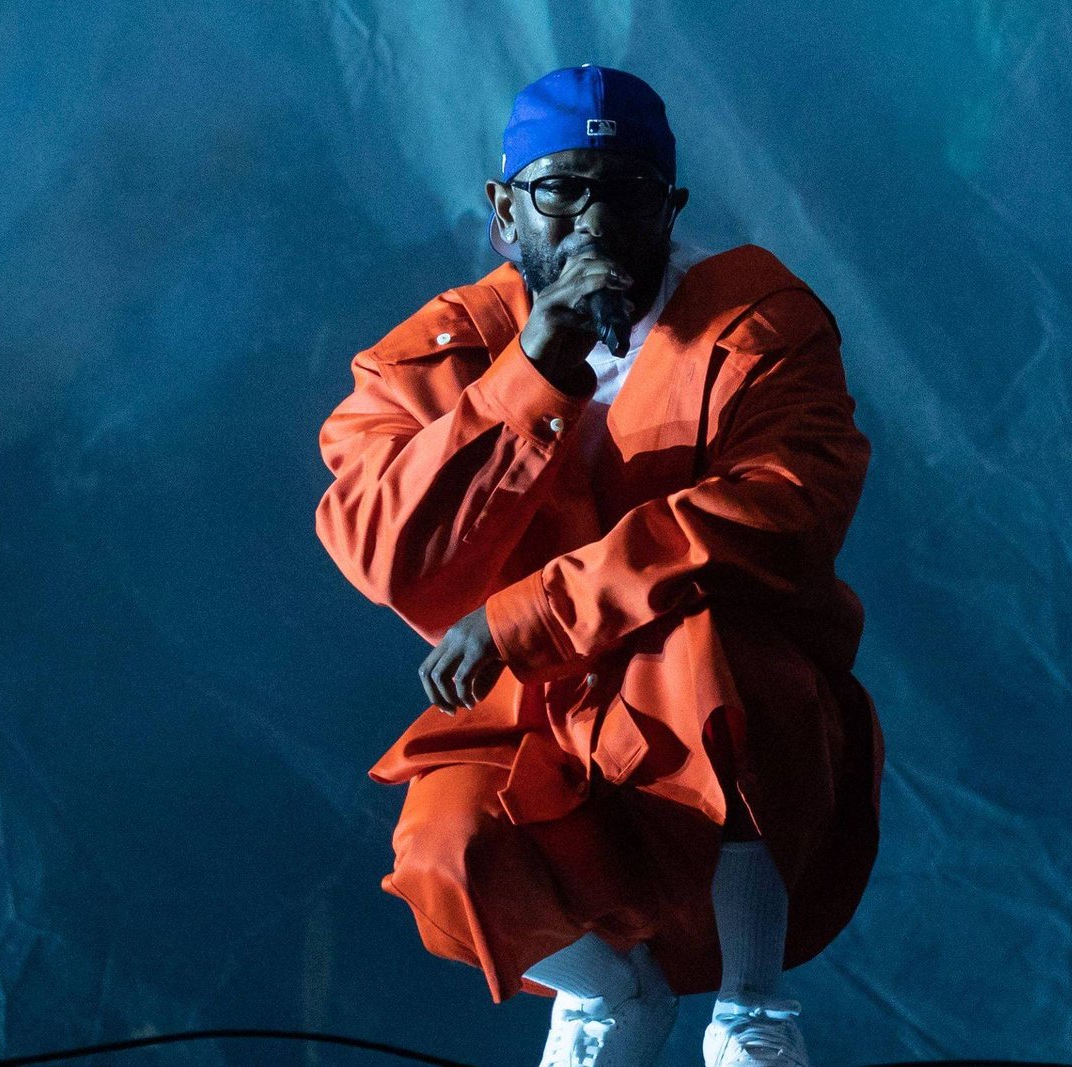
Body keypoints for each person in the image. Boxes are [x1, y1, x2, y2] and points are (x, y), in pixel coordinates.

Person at [315, 64, 884, 1067]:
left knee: (713, 652)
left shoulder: (759, 324)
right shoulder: (424, 362)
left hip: (715, 703)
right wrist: (532, 372)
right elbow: (384, 554)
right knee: (443, 850)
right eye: (560, 190)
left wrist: (525, 614)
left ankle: (753, 1012)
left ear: (671, 209)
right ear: (503, 212)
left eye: (626, 192)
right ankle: (612, 997)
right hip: (529, 713)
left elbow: (779, 513)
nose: (593, 220)